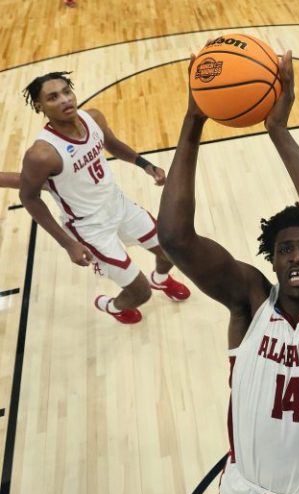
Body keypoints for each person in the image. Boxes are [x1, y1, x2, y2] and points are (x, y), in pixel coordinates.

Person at [157, 50, 299, 494]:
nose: (296, 256)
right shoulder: (250, 301)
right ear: (271, 261)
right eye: (285, 249)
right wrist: (194, 118)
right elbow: (174, 237)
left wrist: (279, 133)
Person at [19, 71, 190, 324]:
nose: (65, 99)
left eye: (66, 92)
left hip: (119, 205)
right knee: (140, 293)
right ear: (39, 106)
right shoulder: (41, 154)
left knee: (172, 250)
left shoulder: (93, 118)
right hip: (90, 228)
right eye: (53, 97)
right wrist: (68, 244)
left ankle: (161, 279)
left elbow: (112, 144)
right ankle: (111, 306)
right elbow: (29, 198)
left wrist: (145, 164)